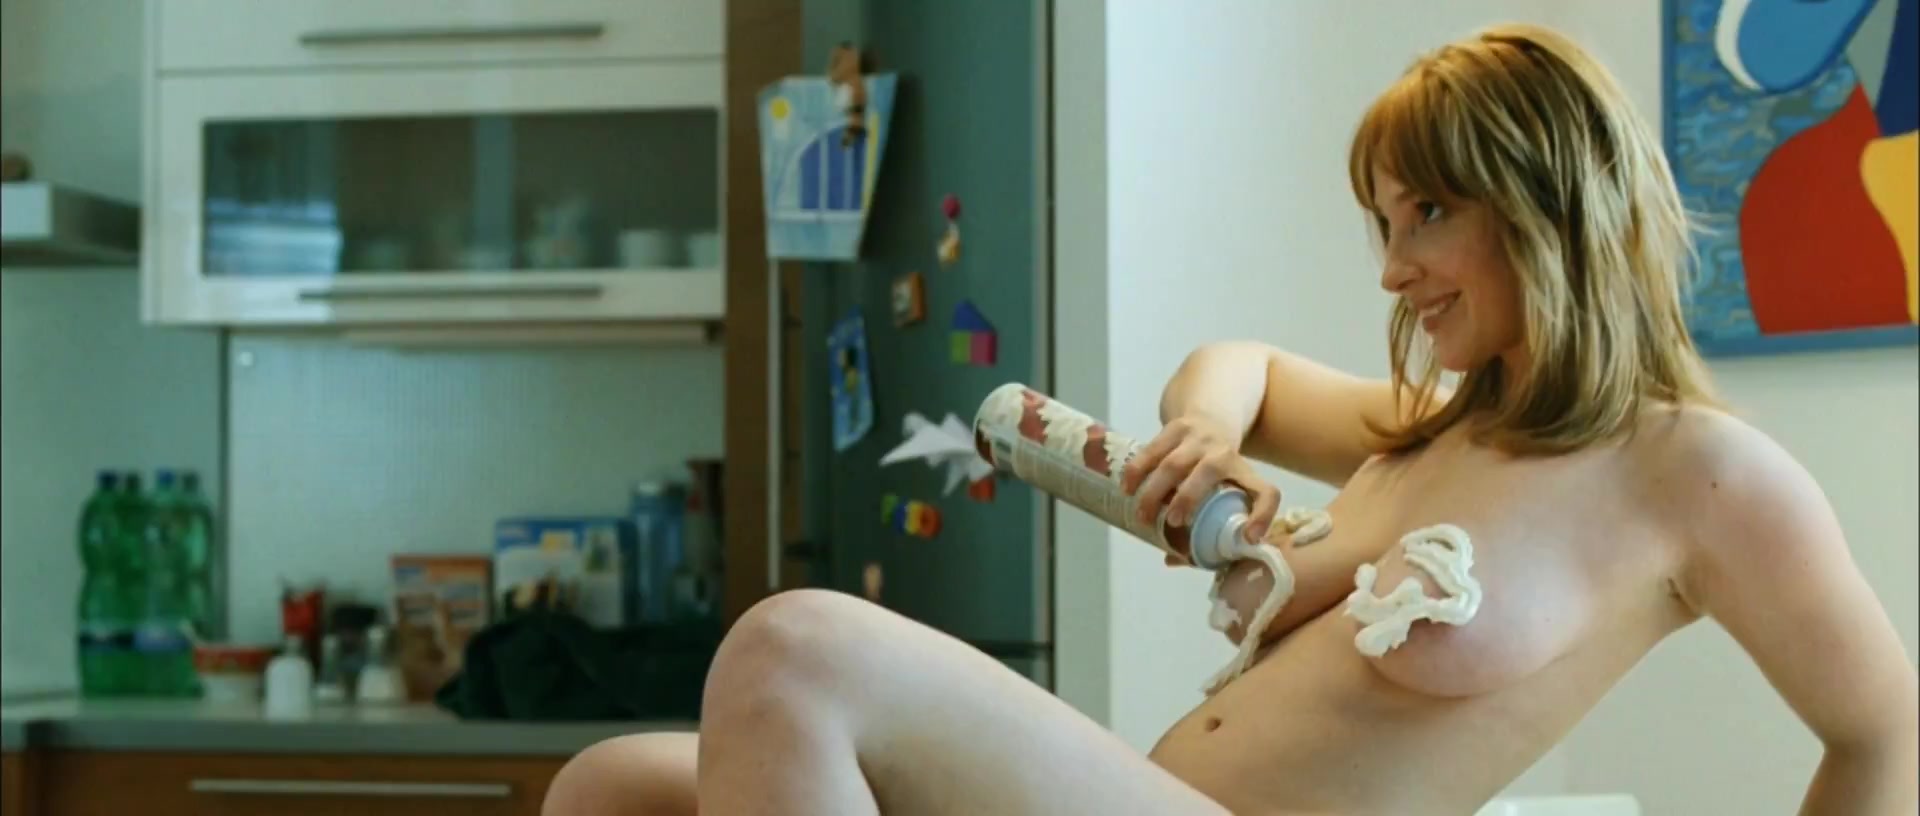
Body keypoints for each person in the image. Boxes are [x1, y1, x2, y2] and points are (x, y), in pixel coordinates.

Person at [542, 23, 1919, 816]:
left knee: (797, 649)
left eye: (1428, 214)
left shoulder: (1698, 475)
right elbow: (1239, 364)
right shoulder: (1436, 427)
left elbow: (1883, 735)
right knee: (617, 784)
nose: (1393, 269)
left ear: (1549, 199)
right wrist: (1202, 429)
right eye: (1384, 224)